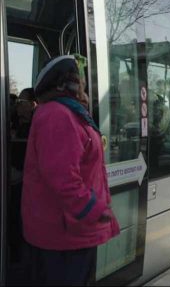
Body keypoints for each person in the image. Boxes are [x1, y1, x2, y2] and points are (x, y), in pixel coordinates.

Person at [21, 55, 120, 285]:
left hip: (69, 232)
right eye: (79, 78)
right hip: (65, 235)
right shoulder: (58, 115)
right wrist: (95, 210)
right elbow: (63, 180)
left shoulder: (68, 112)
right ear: (65, 84)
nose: (84, 84)